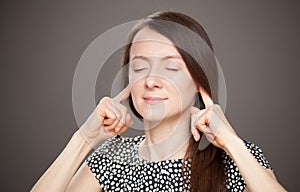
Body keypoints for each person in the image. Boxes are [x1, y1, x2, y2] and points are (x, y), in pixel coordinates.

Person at [32, 11, 286, 192]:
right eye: (140, 67)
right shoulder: (113, 159)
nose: (151, 81)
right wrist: (83, 139)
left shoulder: (238, 157)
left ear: (199, 80)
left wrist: (231, 142)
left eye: (171, 68)